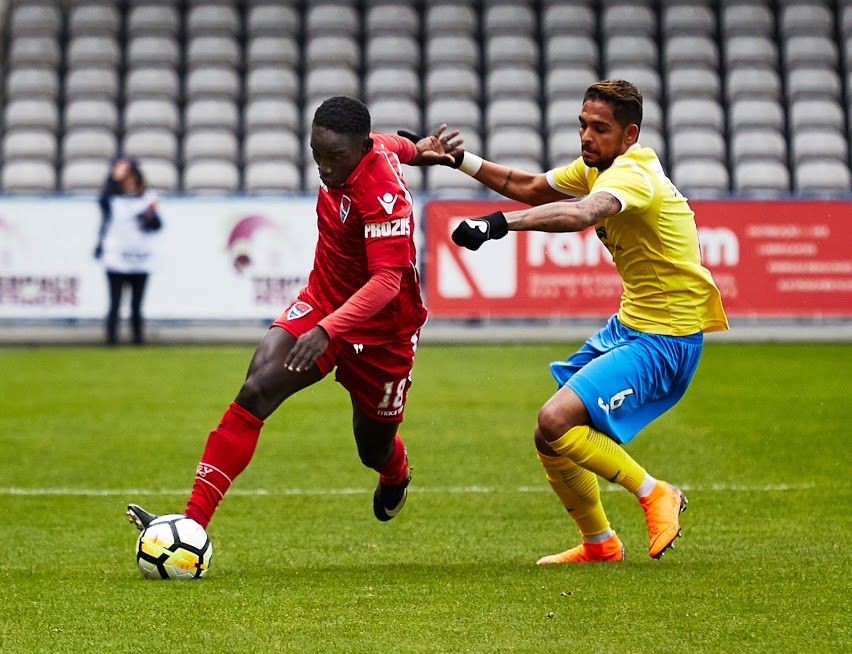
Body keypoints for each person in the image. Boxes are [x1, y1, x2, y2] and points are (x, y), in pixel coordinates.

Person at [126, 96, 461, 537]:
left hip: (383, 332)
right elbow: (397, 144)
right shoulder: (358, 149)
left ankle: (395, 473)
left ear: (360, 150)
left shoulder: (383, 196)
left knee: (373, 446)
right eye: (315, 154)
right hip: (323, 301)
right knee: (256, 389)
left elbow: (386, 283)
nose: (323, 167)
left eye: (334, 157)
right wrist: (423, 150)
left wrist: (328, 331)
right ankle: (192, 524)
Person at [448, 80, 729, 564]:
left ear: (629, 134)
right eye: (582, 124)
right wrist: (461, 161)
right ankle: (600, 544)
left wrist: (498, 225)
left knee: (556, 420)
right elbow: (531, 187)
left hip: (668, 337)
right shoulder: (600, 166)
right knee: (548, 435)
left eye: (600, 128)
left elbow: (582, 213)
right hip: (630, 326)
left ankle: (655, 492)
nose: (586, 136)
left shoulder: (633, 176)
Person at [94, 157, 162, 345]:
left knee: (136, 305)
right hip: (117, 257)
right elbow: (102, 200)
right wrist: (113, 177)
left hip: (141, 258)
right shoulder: (112, 199)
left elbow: (157, 225)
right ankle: (111, 339)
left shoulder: (148, 198)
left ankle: (137, 339)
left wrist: (147, 218)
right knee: (115, 303)